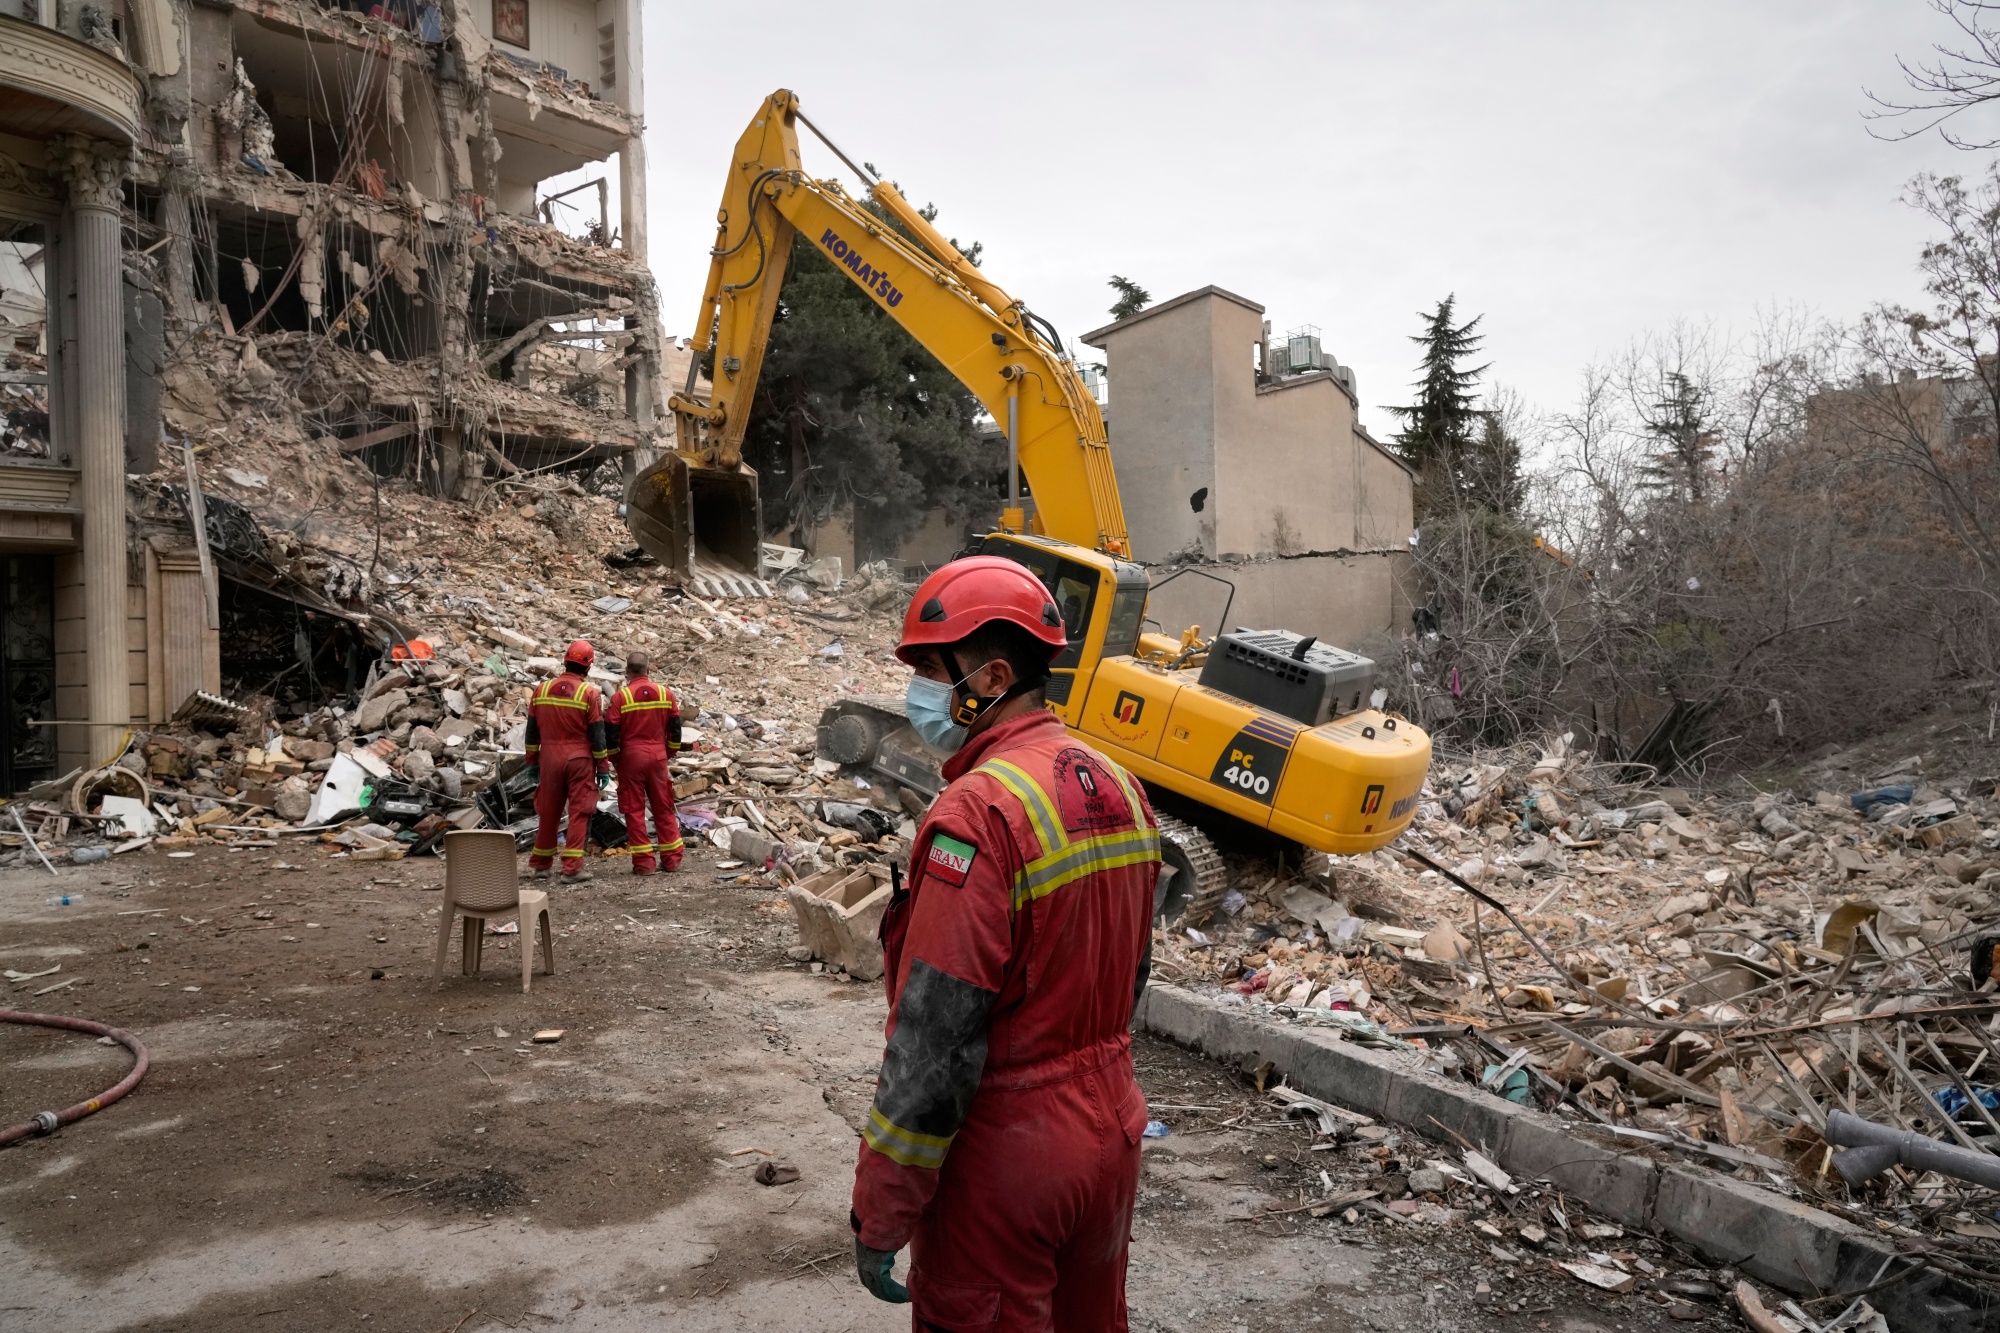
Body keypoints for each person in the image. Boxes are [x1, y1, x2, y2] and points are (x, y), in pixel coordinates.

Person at [849, 556, 1161, 1330]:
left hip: (1009, 1160)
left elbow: (935, 1044)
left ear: (989, 678)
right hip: (1111, 1130)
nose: (917, 689)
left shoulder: (977, 812)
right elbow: (1132, 975)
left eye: (928, 667)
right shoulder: (1119, 786)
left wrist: (882, 1211)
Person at [523, 639, 610, 881]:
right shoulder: (589, 693)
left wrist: (532, 762)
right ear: (588, 666)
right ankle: (572, 868)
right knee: (580, 811)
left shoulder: (541, 690)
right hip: (579, 760)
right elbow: (597, 735)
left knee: (549, 811)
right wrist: (603, 768)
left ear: (565, 661)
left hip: (549, 758)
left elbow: (531, 732)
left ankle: (541, 865)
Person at [605, 649, 684, 875]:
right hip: (658, 757)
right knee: (664, 807)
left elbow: (611, 733)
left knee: (634, 810)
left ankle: (644, 864)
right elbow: (675, 730)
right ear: (648, 670)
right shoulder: (665, 694)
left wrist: (616, 759)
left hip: (631, 758)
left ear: (627, 671)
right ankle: (672, 861)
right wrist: (666, 753)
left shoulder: (621, 697)